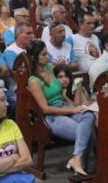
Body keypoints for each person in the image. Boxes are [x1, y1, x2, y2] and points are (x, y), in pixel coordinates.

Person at [27, 41, 95, 175]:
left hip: (63, 106)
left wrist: (72, 96)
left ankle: (77, 160)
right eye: (44, 54)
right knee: (87, 133)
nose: (47, 56)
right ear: (34, 58)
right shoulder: (33, 80)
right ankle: (81, 168)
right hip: (52, 115)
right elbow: (45, 109)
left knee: (89, 115)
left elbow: (65, 77)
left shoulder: (50, 67)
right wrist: (72, 109)